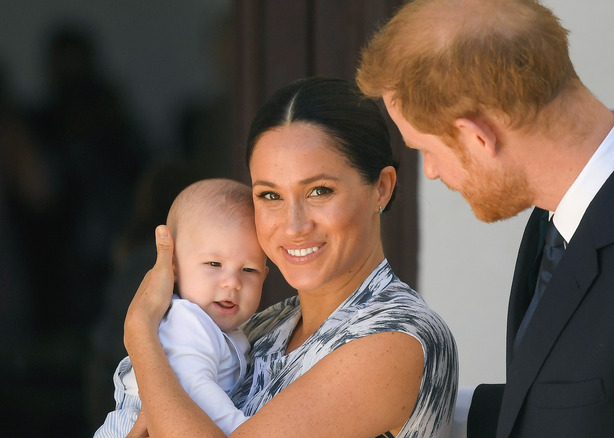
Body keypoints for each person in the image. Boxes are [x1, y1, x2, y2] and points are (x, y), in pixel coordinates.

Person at [356, 0, 614, 437]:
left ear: (478, 137)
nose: (432, 171)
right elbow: (579, 406)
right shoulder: (565, 211)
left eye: (426, 150)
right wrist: (405, 405)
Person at [122, 77, 458, 437]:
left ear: (382, 188)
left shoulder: (397, 338)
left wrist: (141, 332)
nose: (293, 225)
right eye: (270, 196)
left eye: (319, 191)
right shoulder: (264, 327)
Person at [95, 178, 268, 437]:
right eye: (213, 264)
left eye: (249, 270)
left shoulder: (227, 329)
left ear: (265, 275)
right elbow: (196, 389)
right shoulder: (187, 321)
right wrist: (243, 430)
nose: (232, 282)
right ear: (173, 267)